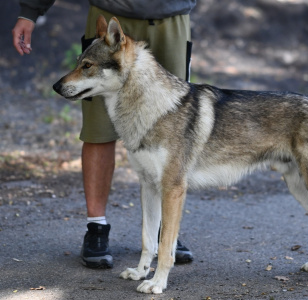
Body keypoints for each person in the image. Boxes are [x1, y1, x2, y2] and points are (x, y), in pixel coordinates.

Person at [12, 0, 196, 268]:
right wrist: (30, 11)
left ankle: (165, 233)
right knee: (98, 129)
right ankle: (96, 227)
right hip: (110, 16)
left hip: (171, 19)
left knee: (175, 132)